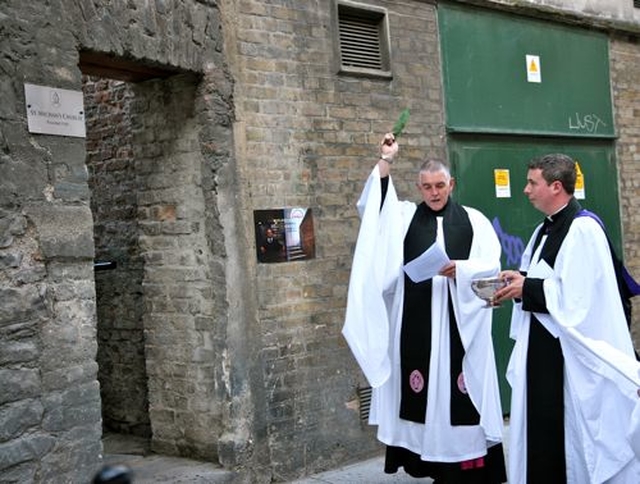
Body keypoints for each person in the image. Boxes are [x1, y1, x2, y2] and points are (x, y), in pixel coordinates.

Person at [343, 133, 507, 483]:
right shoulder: (403, 218)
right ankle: (428, 462)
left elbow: (492, 267)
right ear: (419, 187)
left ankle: (464, 466)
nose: (434, 193)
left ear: (452, 183)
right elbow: (374, 214)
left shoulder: (474, 220)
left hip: (460, 325)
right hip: (416, 325)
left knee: (460, 396)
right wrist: (386, 162)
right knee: (423, 394)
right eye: (427, 187)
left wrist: (460, 270)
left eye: (440, 185)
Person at [493, 153, 640, 484]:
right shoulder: (544, 229)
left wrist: (526, 287)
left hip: (568, 356)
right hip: (543, 349)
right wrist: (517, 279)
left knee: (571, 441)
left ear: (556, 186)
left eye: (533, 183)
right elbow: (549, 279)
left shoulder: (583, 228)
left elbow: (578, 301)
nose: (526, 190)